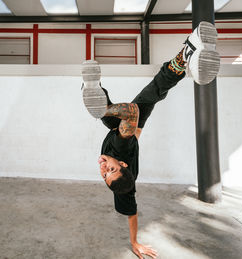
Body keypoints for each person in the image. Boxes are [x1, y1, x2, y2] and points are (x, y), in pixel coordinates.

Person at [81, 21, 219, 259]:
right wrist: (108, 110)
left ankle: (189, 50)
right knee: (116, 112)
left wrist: (135, 242)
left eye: (104, 174)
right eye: (111, 168)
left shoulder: (122, 187)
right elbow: (132, 112)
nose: (103, 168)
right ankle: (100, 100)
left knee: (156, 89)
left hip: (124, 131)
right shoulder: (122, 148)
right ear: (122, 165)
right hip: (129, 128)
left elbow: (131, 214)